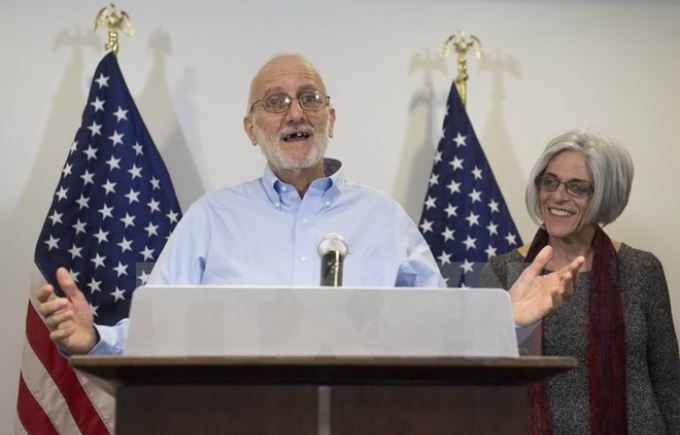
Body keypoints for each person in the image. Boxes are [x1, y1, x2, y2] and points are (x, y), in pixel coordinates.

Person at [38, 54, 584, 357]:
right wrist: (96, 339)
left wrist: (506, 320)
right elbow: (161, 327)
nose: (295, 112)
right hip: (234, 429)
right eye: (275, 102)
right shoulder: (210, 219)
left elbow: (436, 328)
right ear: (251, 129)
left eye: (310, 98)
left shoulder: (383, 218)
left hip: (368, 428)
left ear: (331, 118)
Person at [479, 128, 680, 435]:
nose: (558, 196)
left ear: (606, 195)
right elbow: (478, 381)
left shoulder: (642, 269)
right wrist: (512, 322)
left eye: (577, 187)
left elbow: (668, 377)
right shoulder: (503, 272)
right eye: (550, 181)